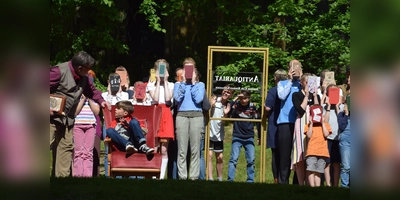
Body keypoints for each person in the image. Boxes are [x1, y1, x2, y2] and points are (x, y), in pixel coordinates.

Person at [50, 51, 110, 177]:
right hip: (49, 117)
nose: (89, 72)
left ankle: (61, 182)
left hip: (68, 119)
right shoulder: (58, 71)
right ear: (80, 68)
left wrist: (102, 102)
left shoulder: (84, 77)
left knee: (66, 148)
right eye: (88, 69)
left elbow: (92, 91)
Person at [173, 57, 205, 180]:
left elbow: (198, 99)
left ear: (195, 70)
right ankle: (182, 176)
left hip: (196, 115)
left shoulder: (200, 85)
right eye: (186, 68)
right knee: (182, 149)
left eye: (190, 68)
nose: (188, 71)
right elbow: (177, 98)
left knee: (195, 149)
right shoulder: (178, 84)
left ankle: (194, 177)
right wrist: (183, 83)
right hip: (182, 115)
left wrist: (192, 83)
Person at [147, 59, 175, 180]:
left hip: (166, 113)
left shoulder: (171, 85)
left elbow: (168, 99)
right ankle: (153, 174)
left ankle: (161, 176)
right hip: (155, 113)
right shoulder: (150, 85)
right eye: (159, 70)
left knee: (164, 149)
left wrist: (166, 81)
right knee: (154, 147)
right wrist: (158, 81)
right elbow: (156, 98)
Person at [291, 74, 321, 185]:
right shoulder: (296, 95)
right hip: (301, 125)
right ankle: (300, 183)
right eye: (307, 82)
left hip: (313, 126)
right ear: (302, 83)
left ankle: (310, 183)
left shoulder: (315, 96)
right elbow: (300, 110)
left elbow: (318, 111)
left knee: (311, 155)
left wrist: (314, 96)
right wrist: (306, 95)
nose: (309, 85)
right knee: (300, 155)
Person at [276, 59, 302, 184]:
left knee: (299, 154)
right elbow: (281, 96)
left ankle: (297, 182)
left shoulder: (303, 84)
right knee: (285, 154)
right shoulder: (282, 83)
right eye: (293, 67)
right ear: (289, 69)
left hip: (300, 122)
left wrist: (302, 81)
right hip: (285, 122)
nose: (296, 69)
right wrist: (291, 80)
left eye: (298, 67)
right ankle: (283, 182)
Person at [227, 90, 259, 183]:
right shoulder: (236, 105)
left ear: (249, 98)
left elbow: (258, 121)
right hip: (237, 136)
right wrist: (236, 97)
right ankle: (230, 180)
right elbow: (228, 109)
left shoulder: (253, 107)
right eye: (241, 98)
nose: (242, 100)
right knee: (233, 159)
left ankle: (250, 180)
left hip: (249, 136)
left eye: (244, 98)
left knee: (251, 160)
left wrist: (259, 137)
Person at [101, 72, 130, 177]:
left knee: (120, 148)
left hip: (121, 124)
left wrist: (117, 93)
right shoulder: (104, 95)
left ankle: (121, 173)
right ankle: (108, 175)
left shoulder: (124, 95)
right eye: (112, 81)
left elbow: (123, 108)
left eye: (116, 81)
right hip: (108, 124)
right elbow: (106, 110)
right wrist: (109, 94)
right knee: (107, 150)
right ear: (108, 82)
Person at [264, 69, 287, 184]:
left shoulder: (273, 90)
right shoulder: (289, 90)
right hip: (287, 125)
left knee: (275, 154)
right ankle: (285, 178)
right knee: (286, 153)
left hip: (274, 124)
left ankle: (276, 179)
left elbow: (268, 107)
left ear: (275, 78)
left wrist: (264, 106)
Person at [208, 85, 233, 181]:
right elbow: (207, 112)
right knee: (209, 155)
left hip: (219, 134)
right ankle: (210, 178)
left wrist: (226, 113)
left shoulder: (228, 105)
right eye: (225, 91)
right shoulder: (214, 99)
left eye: (228, 93)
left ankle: (220, 179)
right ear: (222, 91)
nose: (226, 94)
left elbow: (223, 123)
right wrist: (211, 105)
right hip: (210, 132)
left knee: (220, 158)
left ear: (230, 95)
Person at [72, 93, 100, 177]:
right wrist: (83, 100)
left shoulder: (94, 98)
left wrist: (89, 99)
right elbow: (75, 112)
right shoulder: (76, 96)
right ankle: (78, 175)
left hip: (90, 126)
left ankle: (87, 176)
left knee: (88, 152)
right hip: (77, 125)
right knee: (78, 152)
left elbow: (97, 112)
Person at [304, 105, 332, 187]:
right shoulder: (309, 124)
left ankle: (317, 187)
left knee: (319, 171)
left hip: (322, 152)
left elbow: (326, 134)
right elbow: (309, 135)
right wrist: (311, 123)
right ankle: (312, 186)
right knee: (311, 169)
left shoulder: (326, 124)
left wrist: (322, 123)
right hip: (312, 151)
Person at [338, 73, 350, 188]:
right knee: (346, 165)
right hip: (347, 131)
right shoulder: (344, 94)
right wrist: (346, 113)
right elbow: (341, 125)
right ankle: (344, 188)